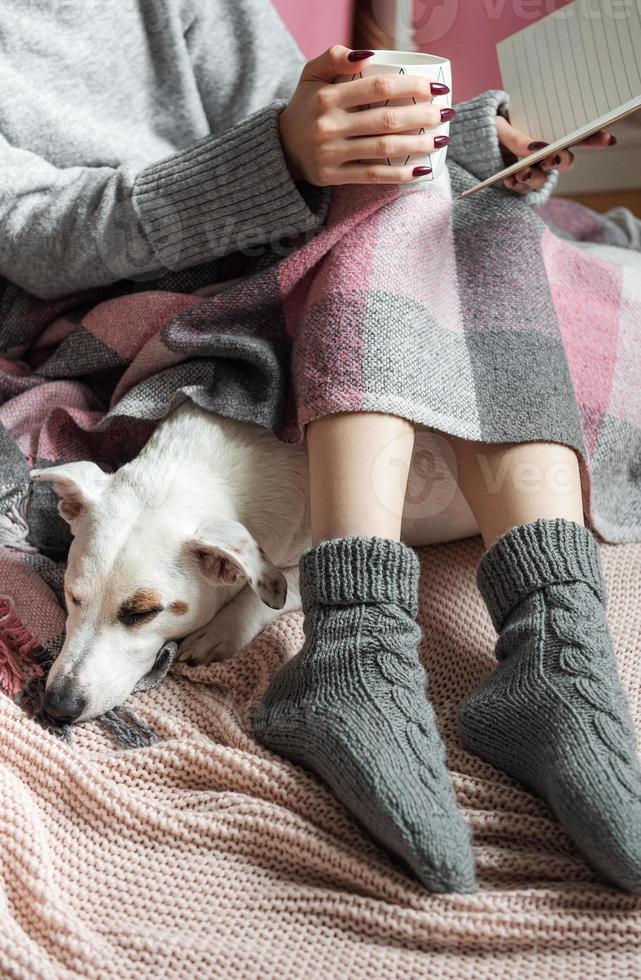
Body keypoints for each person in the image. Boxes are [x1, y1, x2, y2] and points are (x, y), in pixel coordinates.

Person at [1, 0, 639, 894]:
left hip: (292, 263)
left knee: (416, 190)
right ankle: (459, 654)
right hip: (125, 311)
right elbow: (32, 236)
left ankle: (527, 657)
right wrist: (284, 155)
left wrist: (466, 143)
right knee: (411, 210)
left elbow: (320, 146)